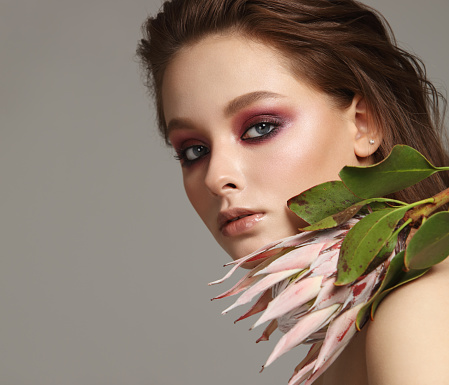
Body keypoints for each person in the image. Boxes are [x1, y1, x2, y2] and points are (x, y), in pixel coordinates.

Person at [137, 0, 449, 383]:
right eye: (194, 151)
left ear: (365, 125)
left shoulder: (421, 305)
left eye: (260, 127)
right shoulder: (351, 338)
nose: (216, 177)